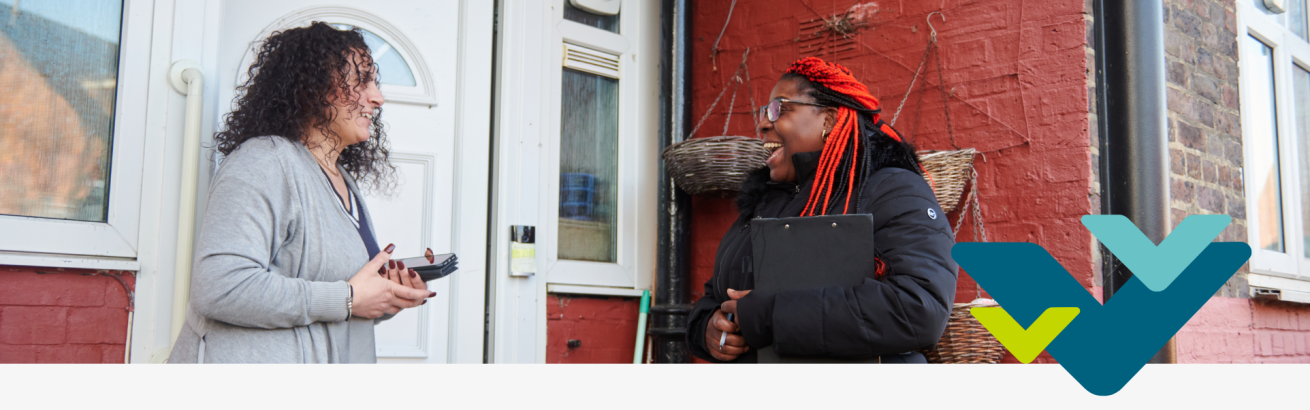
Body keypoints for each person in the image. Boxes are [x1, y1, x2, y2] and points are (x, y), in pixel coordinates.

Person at [168, 22, 434, 363]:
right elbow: (220, 288)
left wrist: (385, 296)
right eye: (361, 81)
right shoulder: (264, 161)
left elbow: (337, 302)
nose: (377, 98)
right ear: (314, 88)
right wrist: (348, 298)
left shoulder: (341, 180)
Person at [686, 57, 959, 363]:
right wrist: (707, 328)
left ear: (828, 120)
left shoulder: (891, 190)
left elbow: (919, 309)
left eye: (779, 108)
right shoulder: (762, 203)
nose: (763, 123)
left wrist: (770, 315)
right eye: (763, 112)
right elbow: (718, 294)